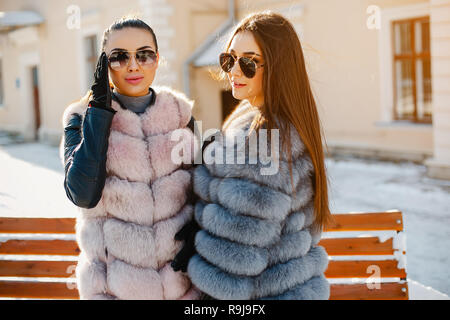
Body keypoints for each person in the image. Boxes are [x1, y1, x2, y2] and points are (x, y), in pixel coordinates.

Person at [172, 11, 332, 300]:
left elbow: (235, 260)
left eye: (248, 62)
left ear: (278, 67)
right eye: (228, 59)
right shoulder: (260, 117)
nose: (233, 70)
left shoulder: (267, 138)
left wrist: (196, 232)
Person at [60, 16, 200, 300]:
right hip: (114, 290)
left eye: (144, 55)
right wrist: (99, 114)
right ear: (104, 65)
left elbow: (201, 191)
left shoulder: (180, 114)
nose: (133, 65)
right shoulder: (80, 116)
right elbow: (82, 194)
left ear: (157, 59)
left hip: (182, 288)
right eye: (119, 57)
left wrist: (197, 237)